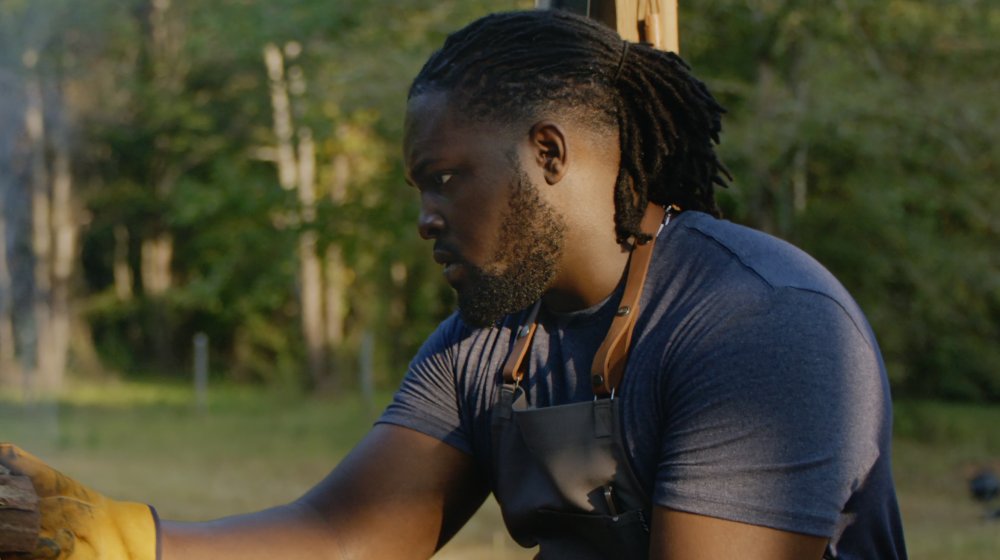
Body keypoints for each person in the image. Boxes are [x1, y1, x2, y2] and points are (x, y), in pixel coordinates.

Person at [0, 9, 907, 560]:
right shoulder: (485, 345)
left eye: (445, 178)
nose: (425, 217)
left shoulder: (762, 324)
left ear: (547, 153)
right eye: (417, 189)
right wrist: (106, 535)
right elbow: (345, 535)